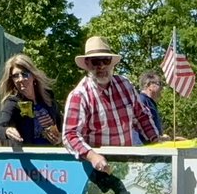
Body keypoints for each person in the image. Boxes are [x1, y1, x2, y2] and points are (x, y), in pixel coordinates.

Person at [62, 36, 160, 175]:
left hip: (127, 164)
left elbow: (141, 115)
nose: (101, 66)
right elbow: (69, 135)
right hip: (96, 170)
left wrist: (155, 139)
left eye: (105, 60)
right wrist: (92, 156)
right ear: (87, 64)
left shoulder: (125, 84)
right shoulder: (79, 95)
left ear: (111, 63)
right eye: (96, 61)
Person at [0, 54, 62, 147]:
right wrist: (7, 131)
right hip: (28, 156)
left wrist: (59, 138)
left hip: (51, 155)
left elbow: (61, 127)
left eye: (24, 74)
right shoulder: (12, 102)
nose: (20, 79)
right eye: (15, 76)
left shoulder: (48, 98)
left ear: (33, 76)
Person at [133, 70, 165, 144]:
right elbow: (142, 124)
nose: (161, 88)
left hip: (152, 145)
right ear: (149, 85)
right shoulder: (141, 100)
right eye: (159, 84)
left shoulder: (150, 102)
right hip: (143, 148)